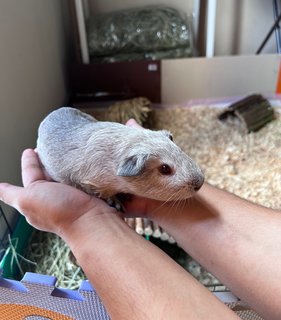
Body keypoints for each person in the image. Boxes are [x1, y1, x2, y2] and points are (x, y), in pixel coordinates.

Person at [0, 119, 280, 320]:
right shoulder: (102, 173)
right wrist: (85, 217)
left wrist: (81, 222)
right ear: (131, 169)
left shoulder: (139, 155)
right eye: (166, 170)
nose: (196, 183)